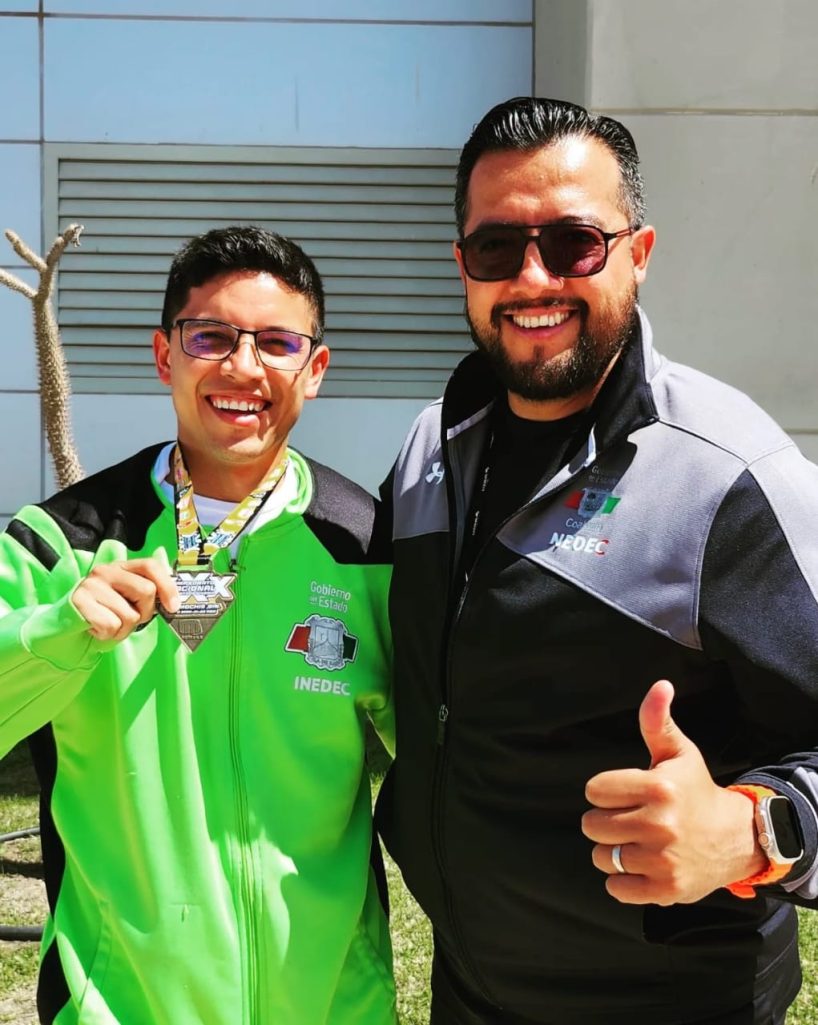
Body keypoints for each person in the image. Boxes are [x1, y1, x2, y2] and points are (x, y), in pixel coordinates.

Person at [375, 95, 818, 1025]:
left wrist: (754, 829)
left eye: (574, 243)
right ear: (462, 266)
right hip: (470, 993)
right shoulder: (428, 450)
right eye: (497, 247)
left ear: (638, 252)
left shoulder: (727, 475)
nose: (533, 277)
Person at [0, 225, 397, 1025]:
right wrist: (57, 630)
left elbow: (446, 750)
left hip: (331, 1005)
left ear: (315, 369)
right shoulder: (61, 543)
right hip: (122, 1006)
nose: (243, 367)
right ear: (164, 355)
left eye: (277, 342)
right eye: (210, 336)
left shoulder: (366, 547)